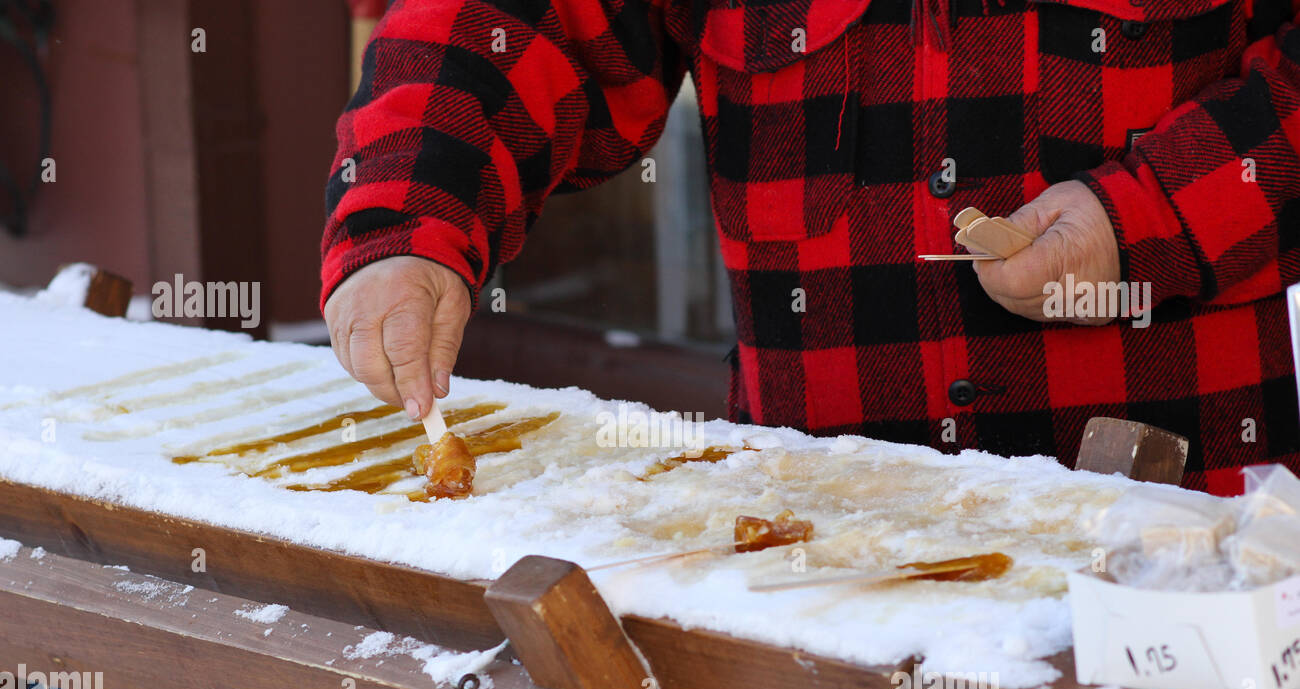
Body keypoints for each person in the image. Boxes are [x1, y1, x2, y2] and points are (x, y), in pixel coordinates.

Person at [321, 0, 1300, 493]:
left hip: (1192, 554)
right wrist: (405, 222)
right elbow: (513, 21)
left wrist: (1145, 223)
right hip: (812, 558)